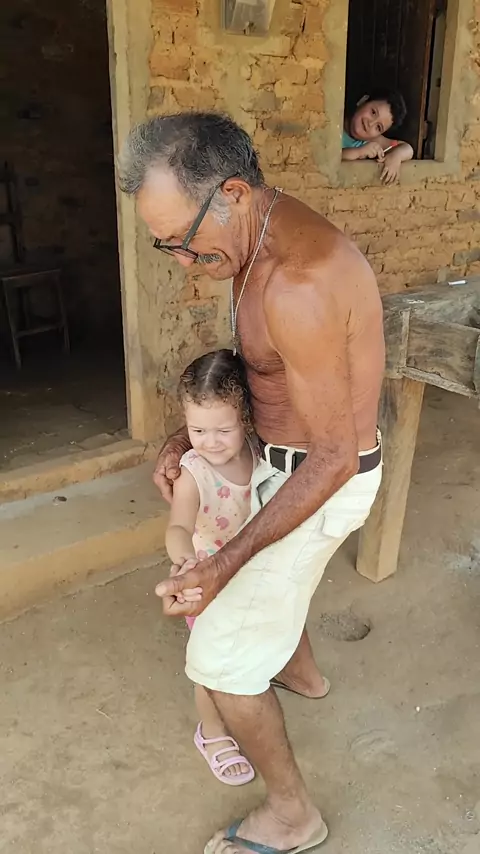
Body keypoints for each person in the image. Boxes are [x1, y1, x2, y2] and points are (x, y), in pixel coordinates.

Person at [119, 112, 385, 854]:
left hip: (323, 481)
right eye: (165, 244)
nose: (181, 261)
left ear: (232, 192)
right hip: (292, 461)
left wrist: (223, 566)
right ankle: (301, 670)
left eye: (181, 240)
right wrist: (195, 434)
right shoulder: (256, 233)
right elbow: (266, 368)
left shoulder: (298, 281)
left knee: (220, 659)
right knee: (264, 584)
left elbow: (333, 458)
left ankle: (294, 816)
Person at [163, 348, 256, 787]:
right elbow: (178, 526)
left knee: (242, 649)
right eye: (197, 430)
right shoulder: (193, 472)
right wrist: (185, 562)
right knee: (210, 666)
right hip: (206, 583)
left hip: (249, 576)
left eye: (223, 429)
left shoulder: (257, 453)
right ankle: (213, 733)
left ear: (246, 420)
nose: (210, 441)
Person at [342, 89, 414, 184]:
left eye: (378, 127)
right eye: (373, 112)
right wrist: (359, 152)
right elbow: (328, 158)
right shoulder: (330, 122)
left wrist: (396, 156)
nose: (370, 123)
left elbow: (407, 148)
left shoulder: (372, 140)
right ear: (362, 101)